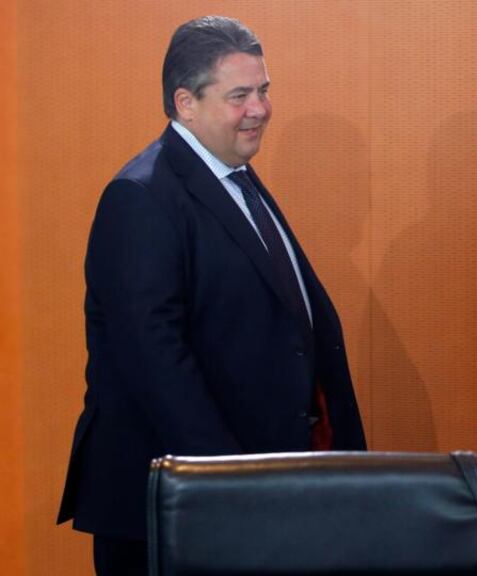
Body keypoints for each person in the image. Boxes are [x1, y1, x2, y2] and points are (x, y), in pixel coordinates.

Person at [56, 16, 366, 575]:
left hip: (248, 497)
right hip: (180, 507)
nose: (260, 109)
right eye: (240, 95)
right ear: (186, 103)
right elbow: (155, 364)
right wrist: (232, 484)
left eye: (264, 91)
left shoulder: (235, 176)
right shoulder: (140, 198)